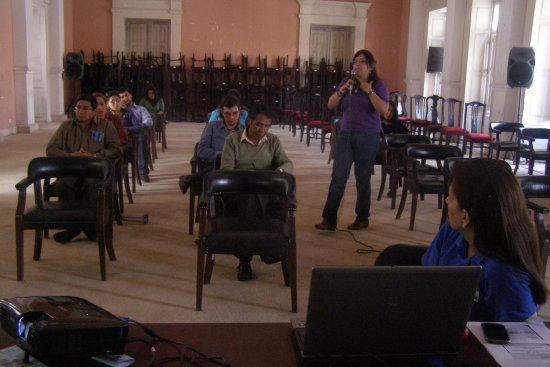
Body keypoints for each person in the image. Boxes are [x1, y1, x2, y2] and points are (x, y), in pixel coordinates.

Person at [376, 158, 547, 322]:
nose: (446, 201)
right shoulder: (451, 231)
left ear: (466, 217)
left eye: (450, 197)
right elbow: (428, 277)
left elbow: (524, 340)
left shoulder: (503, 274)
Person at [315, 49, 389, 231]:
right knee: (338, 177)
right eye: (355, 61)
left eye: (361, 61)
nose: (356, 65)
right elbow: (331, 104)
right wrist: (341, 90)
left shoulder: (379, 85)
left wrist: (369, 91)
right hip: (346, 135)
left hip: (368, 137)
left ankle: (362, 218)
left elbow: (383, 110)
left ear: (371, 66)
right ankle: (329, 219)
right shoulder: (347, 83)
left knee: (362, 178)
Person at [220, 103, 293, 281]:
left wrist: (278, 173)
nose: (263, 130)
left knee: (266, 196)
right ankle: (262, 250)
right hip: (238, 191)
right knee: (250, 197)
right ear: (249, 121)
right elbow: (227, 170)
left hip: (266, 190)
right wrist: (250, 180)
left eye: (267, 126)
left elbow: (287, 163)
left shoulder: (273, 141)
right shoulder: (233, 140)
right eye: (259, 124)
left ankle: (246, 257)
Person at [46, 94, 121, 243]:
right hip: (71, 170)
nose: (81, 111)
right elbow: (51, 149)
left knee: (92, 188)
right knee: (63, 185)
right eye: (78, 108)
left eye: (85, 108)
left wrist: (95, 156)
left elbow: (116, 150)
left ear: (94, 110)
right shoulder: (66, 126)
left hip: (95, 171)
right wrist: (69, 155)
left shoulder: (105, 126)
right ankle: (83, 227)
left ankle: (76, 229)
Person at [179, 94, 243, 194]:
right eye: (227, 114)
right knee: (220, 165)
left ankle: (191, 178)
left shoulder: (244, 131)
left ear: (240, 111)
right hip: (214, 165)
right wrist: (221, 155)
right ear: (222, 112)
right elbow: (201, 151)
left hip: (236, 168)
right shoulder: (212, 127)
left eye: (234, 113)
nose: (231, 118)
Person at [119, 87, 153, 182]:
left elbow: (148, 121)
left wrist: (141, 125)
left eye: (126, 95)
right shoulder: (119, 111)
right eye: (121, 97)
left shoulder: (140, 109)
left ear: (131, 95)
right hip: (123, 134)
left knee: (141, 140)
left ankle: (142, 171)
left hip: (136, 133)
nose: (125, 98)